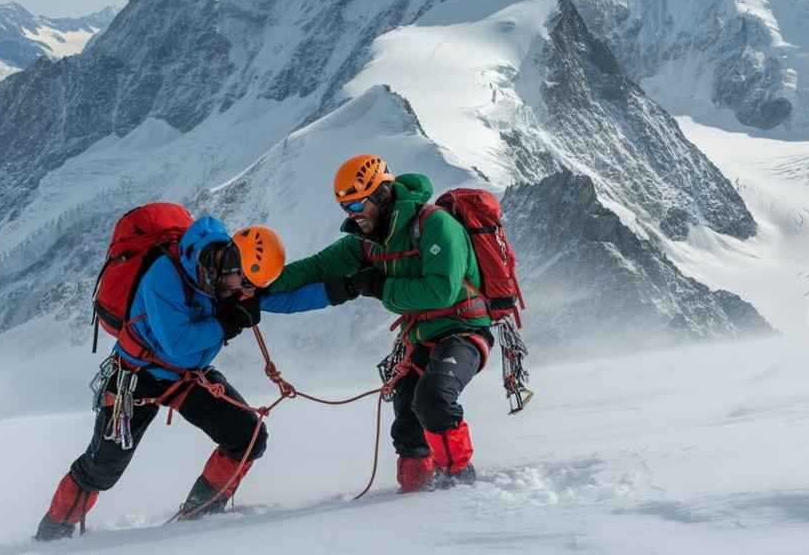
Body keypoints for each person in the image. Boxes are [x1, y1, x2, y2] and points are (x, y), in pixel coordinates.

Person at [35, 217, 343, 541]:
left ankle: (200, 519)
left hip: (185, 376)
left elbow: (280, 298)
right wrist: (229, 322)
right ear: (230, 263)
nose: (245, 292)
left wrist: (345, 290)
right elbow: (178, 343)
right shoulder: (163, 277)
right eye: (243, 284)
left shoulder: (229, 273)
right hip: (137, 378)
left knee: (247, 436)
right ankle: (52, 537)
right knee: (103, 468)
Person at [266, 155, 492, 492]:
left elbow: (441, 291)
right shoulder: (366, 240)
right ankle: (416, 488)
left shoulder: (436, 225)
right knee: (406, 414)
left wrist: (379, 287)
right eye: (346, 206)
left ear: (383, 195)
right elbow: (315, 268)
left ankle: (459, 485)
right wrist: (257, 285)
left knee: (433, 399)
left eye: (358, 202)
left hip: (464, 331)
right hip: (420, 337)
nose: (353, 213)